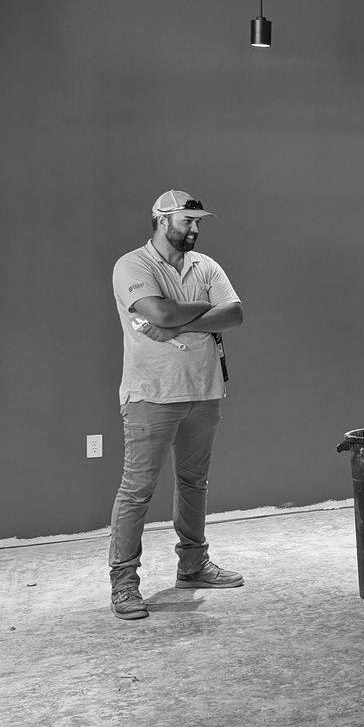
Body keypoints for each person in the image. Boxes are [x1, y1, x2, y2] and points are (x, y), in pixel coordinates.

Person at [108, 191, 247, 620]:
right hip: (151, 394)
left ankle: (193, 565)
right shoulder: (132, 265)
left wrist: (180, 317)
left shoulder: (207, 266)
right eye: (187, 221)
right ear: (161, 219)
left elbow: (235, 315)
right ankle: (124, 584)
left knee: (194, 483)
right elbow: (156, 312)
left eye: (198, 222)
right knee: (137, 491)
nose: (194, 228)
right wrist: (201, 311)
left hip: (203, 391)